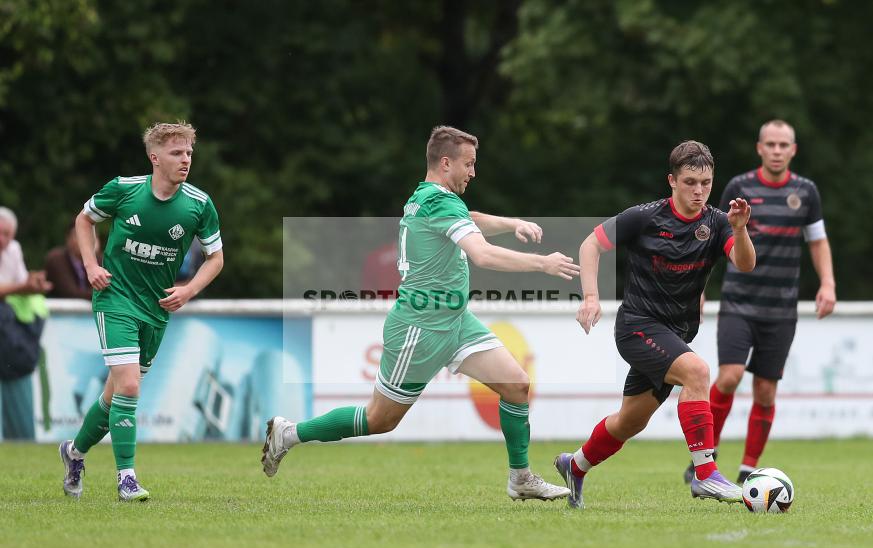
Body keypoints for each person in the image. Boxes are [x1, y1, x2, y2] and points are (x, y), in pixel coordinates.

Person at [262, 125, 579, 501]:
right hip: (420, 327)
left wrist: (512, 224)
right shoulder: (438, 201)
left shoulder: (429, 197)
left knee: (516, 385)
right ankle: (289, 433)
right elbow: (481, 254)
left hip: (455, 321)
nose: (473, 172)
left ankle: (520, 477)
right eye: (469, 164)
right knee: (380, 419)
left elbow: (470, 220)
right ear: (446, 163)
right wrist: (542, 265)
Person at [554, 141, 756, 509]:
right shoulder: (644, 217)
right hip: (637, 327)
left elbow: (745, 264)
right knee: (697, 372)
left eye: (706, 183)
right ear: (672, 181)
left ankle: (575, 465)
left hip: (673, 335)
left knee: (629, 422)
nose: (699, 191)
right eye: (690, 182)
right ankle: (705, 474)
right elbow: (590, 245)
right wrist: (591, 297)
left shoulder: (717, 223)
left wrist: (740, 231)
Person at [59, 122, 224, 501]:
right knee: (130, 385)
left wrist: (190, 289)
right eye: (176, 153)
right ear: (155, 158)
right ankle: (127, 478)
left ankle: (74, 453)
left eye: (188, 154)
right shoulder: (124, 189)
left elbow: (216, 258)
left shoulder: (199, 204)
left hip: (156, 309)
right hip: (115, 298)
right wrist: (90, 265)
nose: (185, 160)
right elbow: (84, 220)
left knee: (114, 396)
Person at [682, 120, 836, 485]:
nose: (778, 150)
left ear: (793, 150)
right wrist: (698, 287)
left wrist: (827, 282)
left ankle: (749, 468)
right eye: (771, 144)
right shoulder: (740, 187)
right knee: (730, 376)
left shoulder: (806, 191)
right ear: (760, 148)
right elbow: (711, 237)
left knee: (765, 392)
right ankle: (708, 455)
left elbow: (817, 241)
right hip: (739, 302)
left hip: (781, 308)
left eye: (784, 145)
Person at [0, 206, 53, 440]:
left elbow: (21, 282)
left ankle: (18, 437)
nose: (3, 240)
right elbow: (18, 286)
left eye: (7, 234)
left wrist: (35, 284)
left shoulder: (13, 249)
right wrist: (24, 287)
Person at [44, 223, 96, 300]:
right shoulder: (57, 259)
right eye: (79, 235)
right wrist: (102, 294)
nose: (85, 240)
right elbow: (70, 293)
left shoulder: (99, 259)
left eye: (90, 235)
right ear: (68, 238)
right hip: (59, 310)